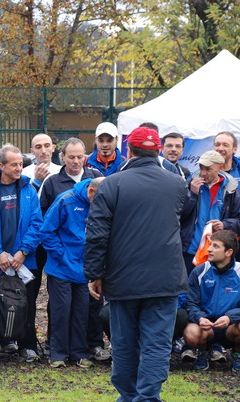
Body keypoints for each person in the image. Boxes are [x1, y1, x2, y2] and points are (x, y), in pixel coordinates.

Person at [84, 126, 188, 401]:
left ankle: (132, 396)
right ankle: (145, 396)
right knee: (156, 344)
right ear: (157, 152)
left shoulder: (111, 184)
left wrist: (94, 273)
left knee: (124, 342)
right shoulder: (177, 183)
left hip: (123, 278)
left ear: (128, 150)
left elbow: (97, 233)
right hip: (163, 279)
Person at [0, 144, 43, 362]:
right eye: (14, 164)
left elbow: (36, 224)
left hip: (23, 262)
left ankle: (27, 345)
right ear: (1, 166)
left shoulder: (29, 191)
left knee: (27, 303)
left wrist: (23, 251)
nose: (19, 168)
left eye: (21, 164)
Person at [38, 137, 107, 361]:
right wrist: (61, 254)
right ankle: (58, 354)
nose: (76, 161)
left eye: (80, 157)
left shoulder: (98, 185)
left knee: (82, 311)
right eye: (71, 156)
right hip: (61, 267)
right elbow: (46, 231)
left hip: (83, 267)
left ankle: (79, 353)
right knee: (61, 310)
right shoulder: (65, 199)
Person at [184, 230, 240, 373]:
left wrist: (230, 317)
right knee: (190, 333)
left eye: (215, 246)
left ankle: (238, 354)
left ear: (229, 252)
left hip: (232, 326)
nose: (209, 249)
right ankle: (203, 352)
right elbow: (191, 303)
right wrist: (200, 318)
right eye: (210, 244)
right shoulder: (199, 271)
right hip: (206, 326)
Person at [181, 150, 240, 273]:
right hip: (190, 252)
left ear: (220, 168)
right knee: (189, 291)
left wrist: (225, 225)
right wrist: (192, 196)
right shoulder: (190, 185)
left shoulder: (230, 190)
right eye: (201, 168)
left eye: (208, 169)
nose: (203, 173)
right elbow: (179, 217)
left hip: (217, 255)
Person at [213, 131, 240, 202]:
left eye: (225, 145)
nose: (220, 148)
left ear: (234, 149)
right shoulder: (203, 172)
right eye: (217, 145)